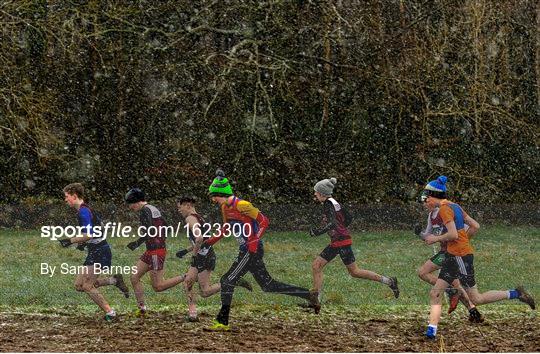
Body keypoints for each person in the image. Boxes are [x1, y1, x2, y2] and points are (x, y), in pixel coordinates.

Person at [422, 176, 536, 339]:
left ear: (434, 196)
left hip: (461, 258)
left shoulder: (444, 209)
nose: (426, 202)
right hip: (453, 256)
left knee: (477, 298)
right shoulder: (455, 206)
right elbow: (475, 226)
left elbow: (453, 234)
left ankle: (516, 294)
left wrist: (436, 239)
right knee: (435, 292)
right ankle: (431, 331)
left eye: (427, 198)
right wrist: (463, 242)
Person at [204, 170, 319, 331]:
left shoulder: (242, 205)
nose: (212, 199)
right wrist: (209, 242)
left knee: (227, 281)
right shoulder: (225, 208)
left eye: (213, 196)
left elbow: (264, 221)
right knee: (267, 285)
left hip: (251, 250)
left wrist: (254, 240)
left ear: (220, 193)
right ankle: (309, 295)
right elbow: (225, 228)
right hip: (248, 249)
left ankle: (222, 322)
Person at [310, 178, 400, 310]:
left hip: (340, 242)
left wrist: (318, 232)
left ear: (322, 193)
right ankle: (316, 301)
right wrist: (342, 229)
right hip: (339, 241)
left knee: (353, 271)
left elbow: (333, 223)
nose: (315, 195)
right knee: (318, 265)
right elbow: (349, 218)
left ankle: (389, 281)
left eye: (316, 192)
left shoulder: (328, 204)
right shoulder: (335, 202)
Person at [175, 195, 252, 321]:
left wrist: (193, 256)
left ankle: (193, 313)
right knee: (198, 288)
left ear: (188, 205)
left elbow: (199, 238)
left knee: (194, 286)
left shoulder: (190, 219)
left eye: (180, 207)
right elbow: (202, 241)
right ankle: (233, 282)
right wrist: (185, 251)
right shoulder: (199, 218)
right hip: (208, 255)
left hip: (202, 257)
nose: (179, 210)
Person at [60, 183, 129, 321]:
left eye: (67, 197)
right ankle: (114, 280)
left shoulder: (83, 212)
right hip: (95, 250)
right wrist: (83, 243)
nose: (65, 200)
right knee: (79, 285)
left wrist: (70, 240)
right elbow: (95, 231)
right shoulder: (83, 210)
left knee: (87, 285)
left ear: (74, 196)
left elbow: (89, 234)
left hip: (100, 251)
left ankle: (111, 313)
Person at [125, 188, 185, 315]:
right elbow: (165, 225)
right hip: (151, 250)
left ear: (136, 202)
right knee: (134, 277)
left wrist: (137, 243)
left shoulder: (145, 211)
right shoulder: (152, 208)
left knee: (158, 286)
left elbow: (151, 231)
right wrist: (161, 239)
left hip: (156, 251)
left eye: (130, 204)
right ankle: (142, 309)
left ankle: (186, 277)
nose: (130, 207)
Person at [415, 200, 476, 314]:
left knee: (455, 285)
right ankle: (472, 310)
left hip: (451, 253)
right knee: (454, 284)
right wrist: (419, 233)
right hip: (444, 252)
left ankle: (456, 296)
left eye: (426, 201)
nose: (424, 204)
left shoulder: (444, 212)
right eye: (423, 202)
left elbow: (463, 229)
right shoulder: (431, 216)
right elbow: (428, 236)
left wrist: (461, 242)